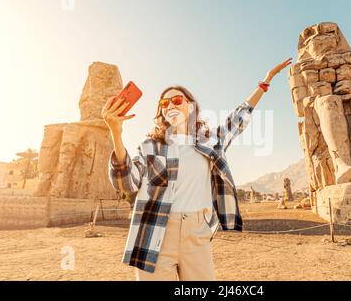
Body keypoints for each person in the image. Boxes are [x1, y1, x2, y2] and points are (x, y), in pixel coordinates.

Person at [101, 57, 292, 281]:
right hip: (154, 231)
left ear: (190, 105)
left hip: (197, 232)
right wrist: (116, 132)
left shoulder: (210, 142)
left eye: (177, 100)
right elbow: (126, 182)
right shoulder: (149, 147)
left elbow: (238, 118)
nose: (170, 105)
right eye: (164, 104)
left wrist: (265, 81)